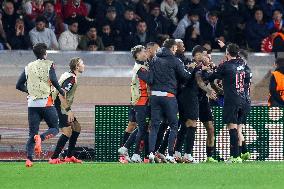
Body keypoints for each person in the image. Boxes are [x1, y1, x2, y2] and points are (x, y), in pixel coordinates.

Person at [16, 43, 65, 167]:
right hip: (46, 102)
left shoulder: (28, 66)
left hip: (32, 104)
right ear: (45, 53)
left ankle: (29, 159)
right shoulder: (49, 64)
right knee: (54, 128)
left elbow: (19, 85)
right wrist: (60, 90)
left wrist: (30, 91)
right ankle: (40, 138)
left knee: (32, 133)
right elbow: (53, 80)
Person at [148, 39, 193, 163]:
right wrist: (192, 69)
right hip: (169, 96)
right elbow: (185, 76)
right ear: (173, 48)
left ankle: (151, 153)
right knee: (174, 125)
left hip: (155, 95)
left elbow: (150, 79)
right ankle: (170, 154)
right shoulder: (175, 60)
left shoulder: (154, 59)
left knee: (155, 126)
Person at [206, 43, 246, 163]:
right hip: (242, 99)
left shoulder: (226, 66)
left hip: (231, 100)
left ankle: (235, 156)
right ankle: (237, 156)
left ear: (227, 53)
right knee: (236, 127)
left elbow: (212, 76)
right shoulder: (242, 64)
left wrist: (207, 71)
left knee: (232, 127)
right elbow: (234, 54)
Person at [118, 45, 152, 163]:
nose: (145, 53)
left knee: (142, 128)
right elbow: (150, 80)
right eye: (143, 51)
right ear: (137, 55)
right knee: (141, 128)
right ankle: (134, 153)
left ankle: (126, 148)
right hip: (141, 101)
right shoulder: (140, 68)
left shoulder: (141, 66)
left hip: (141, 101)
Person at [49, 57, 85, 164]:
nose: (84, 65)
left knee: (76, 127)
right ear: (77, 67)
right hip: (58, 106)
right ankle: (54, 158)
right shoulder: (71, 79)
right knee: (67, 131)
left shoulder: (69, 75)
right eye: (82, 63)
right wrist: (69, 110)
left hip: (61, 105)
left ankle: (69, 156)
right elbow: (61, 94)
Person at [237, 49, 252, 161]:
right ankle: (245, 152)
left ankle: (238, 155)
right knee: (239, 129)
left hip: (243, 102)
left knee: (237, 129)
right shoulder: (247, 70)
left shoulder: (244, 71)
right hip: (245, 101)